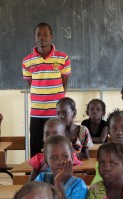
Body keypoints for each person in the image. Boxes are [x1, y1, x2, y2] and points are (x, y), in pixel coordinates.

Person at [22, 22, 71, 157]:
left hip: (56, 112)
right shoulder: (27, 61)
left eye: (45, 34)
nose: (42, 37)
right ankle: (36, 177)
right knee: (36, 148)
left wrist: (57, 98)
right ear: (34, 37)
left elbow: (64, 81)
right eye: (38, 34)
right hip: (37, 112)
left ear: (51, 37)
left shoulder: (62, 58)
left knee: (57, 147)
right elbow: (31, 83)